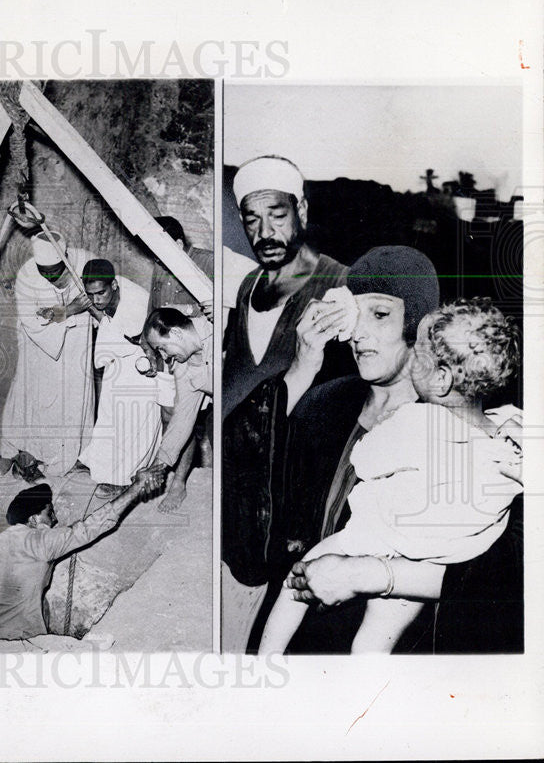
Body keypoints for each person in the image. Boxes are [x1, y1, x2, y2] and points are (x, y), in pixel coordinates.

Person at [225, 245, 522, 654]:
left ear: (419, 328)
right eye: (355, 314)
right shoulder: (324, 401)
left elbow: (497, 573)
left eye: (380, 315)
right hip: (299, 631)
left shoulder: (455, 429)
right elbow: (241, 466)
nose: (359, 333)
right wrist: (300, 370)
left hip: (393, 643)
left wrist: (367, 574)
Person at [0, 468, 165, 640]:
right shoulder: (43, 541)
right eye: (49, 513)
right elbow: (90, 527)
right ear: (33, 519)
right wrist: (136, 488)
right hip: (16, 637)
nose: (55, 519)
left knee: (42, 606)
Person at [222, 155, 349, 419]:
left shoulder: (338, 284)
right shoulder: (249, 284)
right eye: (252, 219)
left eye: (277, 216)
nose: (265, 232)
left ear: (301, 211)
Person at [0, 235, 96, 482]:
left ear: (66, 258)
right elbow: (33, 321)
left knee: (72, 398)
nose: (50, 277)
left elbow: (100, 294)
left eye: (55, 271)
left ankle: (69, 457)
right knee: (30, 397)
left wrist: (60, 313)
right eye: (45, 272)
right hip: (38, 344)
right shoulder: (27, 277)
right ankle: (16, 452)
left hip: (75, 344)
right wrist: (70, 309)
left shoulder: (85, 263)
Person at [75, 259, 162, 492]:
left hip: (142, 363)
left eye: (100, 293)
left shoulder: (137, 303)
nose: (96, 300)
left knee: (133, 419)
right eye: (90, 294)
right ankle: (98, 462)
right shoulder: (111, 289)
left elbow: (134, 336)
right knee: (108, 414)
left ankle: (126, 477)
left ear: (113, 285)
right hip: (119, 360)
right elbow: (110, 326)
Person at [143, 307, 213, 511]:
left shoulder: (220, 329)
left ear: (176, 333)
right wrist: (156, 467)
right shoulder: (183, 365)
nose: (164, 357)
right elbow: (182, 421)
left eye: (163, 348)